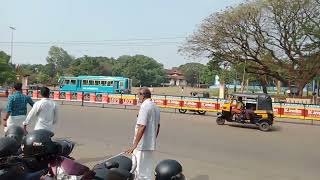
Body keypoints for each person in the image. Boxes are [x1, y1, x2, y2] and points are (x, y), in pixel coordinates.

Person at [126, 87, 160, 180]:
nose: (138, 98)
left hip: (141, 146)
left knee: (138, 171)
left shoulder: (145, 106)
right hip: (150, 145)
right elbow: (158, 127)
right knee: (147, 170)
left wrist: (134, 145)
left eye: (138, 95)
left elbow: (142, 126)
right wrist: (153, 139)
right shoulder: (156, 107)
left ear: (142, 95)